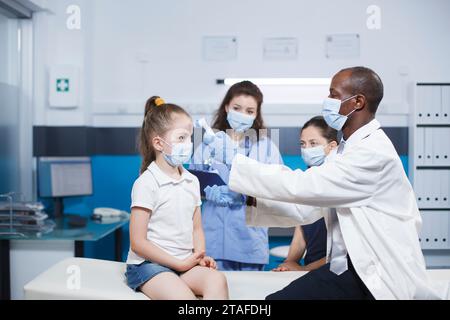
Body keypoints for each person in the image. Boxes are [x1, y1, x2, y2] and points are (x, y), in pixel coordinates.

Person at [228, 67, 450, 299]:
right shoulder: (345, 150)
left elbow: (305, 185)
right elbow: (306, 208)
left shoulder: (373, 153)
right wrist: (248, 198)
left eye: (333, 95)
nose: (328, 101)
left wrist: (236, 164)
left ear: (358, 102)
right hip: (349, 270)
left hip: (378, 274)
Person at [125, 96, 229, 300]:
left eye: (190, 137)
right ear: (158, 143)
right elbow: (138, 242)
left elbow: (197, 228)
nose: (188, 144)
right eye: (181, 138)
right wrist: (179, 264)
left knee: (217, 280)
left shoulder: (191, 181)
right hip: (149, 266)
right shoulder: (147, 183)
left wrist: (199, 255)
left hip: (185, 263)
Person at [190, 81, 282, 271]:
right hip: (211, 243)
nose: (242, 115)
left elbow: (277, 190)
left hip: (249, 242)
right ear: (226, 108)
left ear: (257, 114)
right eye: (237, 108)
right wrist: (205, 194)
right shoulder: (207, 146)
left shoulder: (265, 148)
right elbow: (190, 190)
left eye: (249, 111)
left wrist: (243, 195)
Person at [273, 116, 337, 272]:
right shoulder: (305, 181)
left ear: (332, 147)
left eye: (313, 143)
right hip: (311, 269)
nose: (307, 149)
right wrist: (288, 263)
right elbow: (301, 231)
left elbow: (342, 250)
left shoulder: (338, 184)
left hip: (333, 270)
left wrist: (304, 270)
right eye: (303, 144)